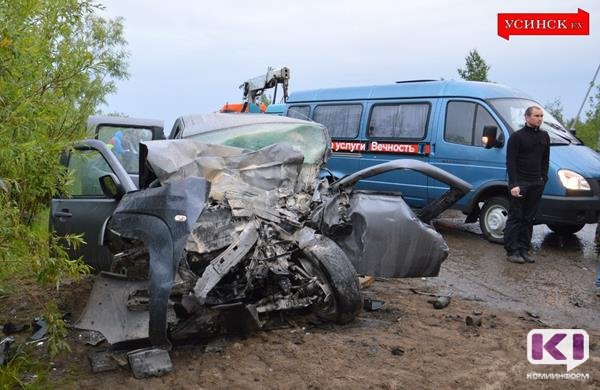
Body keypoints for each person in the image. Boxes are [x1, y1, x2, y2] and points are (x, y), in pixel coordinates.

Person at [504, 106, 549, 264]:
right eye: (536, 115)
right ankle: (512, 251)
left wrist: (544, 178)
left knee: (529, 218)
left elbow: (545, 159)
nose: (539, 118)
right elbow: (511, 162)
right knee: (516, 217)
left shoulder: (544, 136)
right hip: (520, 183)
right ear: (527, 117)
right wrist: (514, 184)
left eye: (541, 116)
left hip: (536, 182)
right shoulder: (517, 137)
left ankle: (524, 249)